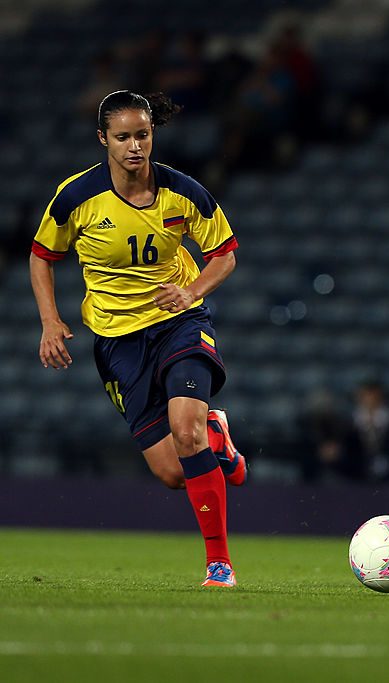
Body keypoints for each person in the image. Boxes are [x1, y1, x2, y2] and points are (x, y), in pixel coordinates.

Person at [29, 90, 247, 588]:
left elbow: (225, 253)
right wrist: (49, 320)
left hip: (179, 324)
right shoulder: (77, 197)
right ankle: (219, 441)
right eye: (123, 136)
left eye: (142, 135)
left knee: (185, 430)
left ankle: (219, 563)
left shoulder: (184, 192)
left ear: (153, 136)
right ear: (103, 138)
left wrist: (189, 291)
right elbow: (42, 255)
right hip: (117, 343)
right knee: (173, 472)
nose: (134, 146)